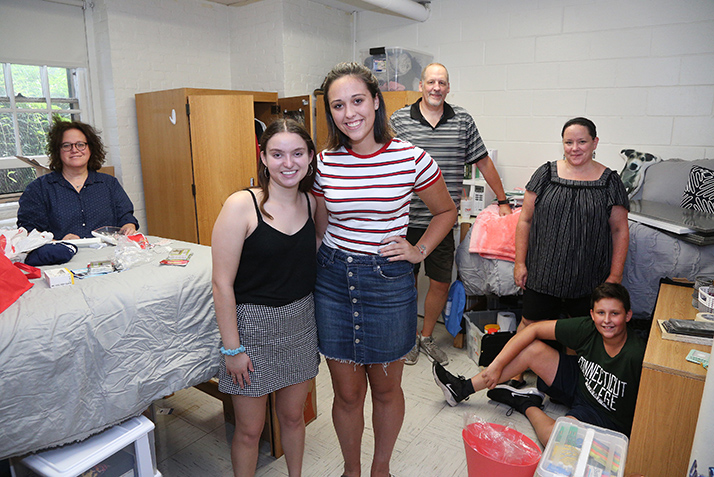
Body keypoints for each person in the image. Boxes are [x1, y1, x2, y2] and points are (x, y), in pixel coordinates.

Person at [313, 62, 457, 477]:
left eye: (357, 100)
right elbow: (322, 225)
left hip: (387, 283)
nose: (349, 112)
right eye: (338, 105)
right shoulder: (324, 163)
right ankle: (351, 470)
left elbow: (445, 211)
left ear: (376, 102)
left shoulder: (411, 158)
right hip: (333, 283)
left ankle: (381, 469)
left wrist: (419, 250)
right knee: (346, 393)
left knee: (387, 389)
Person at [211, 119, 320, 477]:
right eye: (277, 154)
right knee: (249, 430)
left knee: (292, 417)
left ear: (309, 157)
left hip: (300, 324)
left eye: (297, 153)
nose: (288, 163)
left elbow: (309, 255)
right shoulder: (241, 205)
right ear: (263, 156)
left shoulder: (312, 203)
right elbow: (221, 284)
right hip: (252, 331)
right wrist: (232, 349)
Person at [391, 63, 511, 366]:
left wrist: (502, 199)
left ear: (448, 87)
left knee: (441, 282)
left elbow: (482, 162)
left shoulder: (462, 121)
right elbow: (380, 162)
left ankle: (426, 337)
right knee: (405, 283)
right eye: (430, 82)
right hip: (403, 219)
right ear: (420, 85)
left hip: (441, 220)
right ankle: (406, 340)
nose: (436, 88)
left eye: (442, 82)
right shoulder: (399, 119)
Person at [433, 283, 645, 446]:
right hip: (580, 382)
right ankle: (462, 389)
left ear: (627, 316)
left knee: (557, 441)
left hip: (604, 415)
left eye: (615, 314)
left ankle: (525, 403)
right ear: (592, 314)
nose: (607, 320)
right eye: (601, 313)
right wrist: (497, 364)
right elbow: (533, 330)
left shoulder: (637, 355)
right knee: (532, 348)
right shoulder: (588, 327)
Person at [507, 116, 630, 385]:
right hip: (544, 271)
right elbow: (524, 220)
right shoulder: (545, 174)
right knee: (529, 324)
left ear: (594, 142)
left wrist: (615, 276)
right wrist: (520, 263)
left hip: (588, 276)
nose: (575, 148)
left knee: (578, 331)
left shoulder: (610, 182)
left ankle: (568, 380)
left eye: (582, 141)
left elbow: (620, 230)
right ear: (562, 144)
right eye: (569, 142)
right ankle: (516, 369)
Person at [17, 117, 138, 240]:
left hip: (107, 254)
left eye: (80, 145)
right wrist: (57, 243)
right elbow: (28, 231)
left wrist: (128, 226)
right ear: (57, 151)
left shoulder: (109, 183)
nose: (74, 150)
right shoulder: (39, 189)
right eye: (66, 145)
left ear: (91, 148)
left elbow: (126, 216)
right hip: (62, 257)